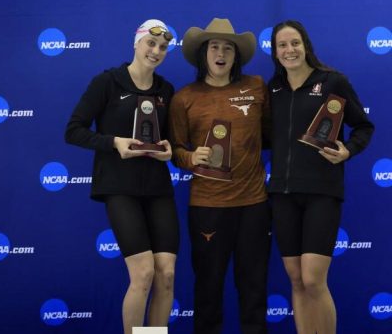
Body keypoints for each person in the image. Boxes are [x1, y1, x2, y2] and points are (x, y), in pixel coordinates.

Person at [65, 19, 178, 333]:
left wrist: (170, 149)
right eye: (151, 44)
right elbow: (73, 131)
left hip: (157, 188)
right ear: (136, 43)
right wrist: (113, 143)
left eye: (163, 47)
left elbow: (169, 139)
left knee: (166, 275)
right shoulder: (108, 82)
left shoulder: (166, 90)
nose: (156, 51)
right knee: (143, 274)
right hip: (119, 187)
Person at [267, 20, 373, 334]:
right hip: (282, 194)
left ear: (306, 46)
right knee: (296, 279)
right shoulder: (273, 89)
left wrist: (348, 150)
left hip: (321, 192)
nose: (289, 50)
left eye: (294, 43)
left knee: (313, 279)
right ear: (275, 52)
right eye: (282, 45)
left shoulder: (332, 82)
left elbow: (364, 126)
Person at [168, 18, 270, 334]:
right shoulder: (184, 98)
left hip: (254, 204)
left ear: (236, 56)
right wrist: (190, 157)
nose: (221, 53)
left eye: (228, 48)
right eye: (214, 47)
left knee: (254, 287)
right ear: (203, 54)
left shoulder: (256, 87)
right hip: (207, 206)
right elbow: (174, 148)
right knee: (208, 289)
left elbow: (271, 135)